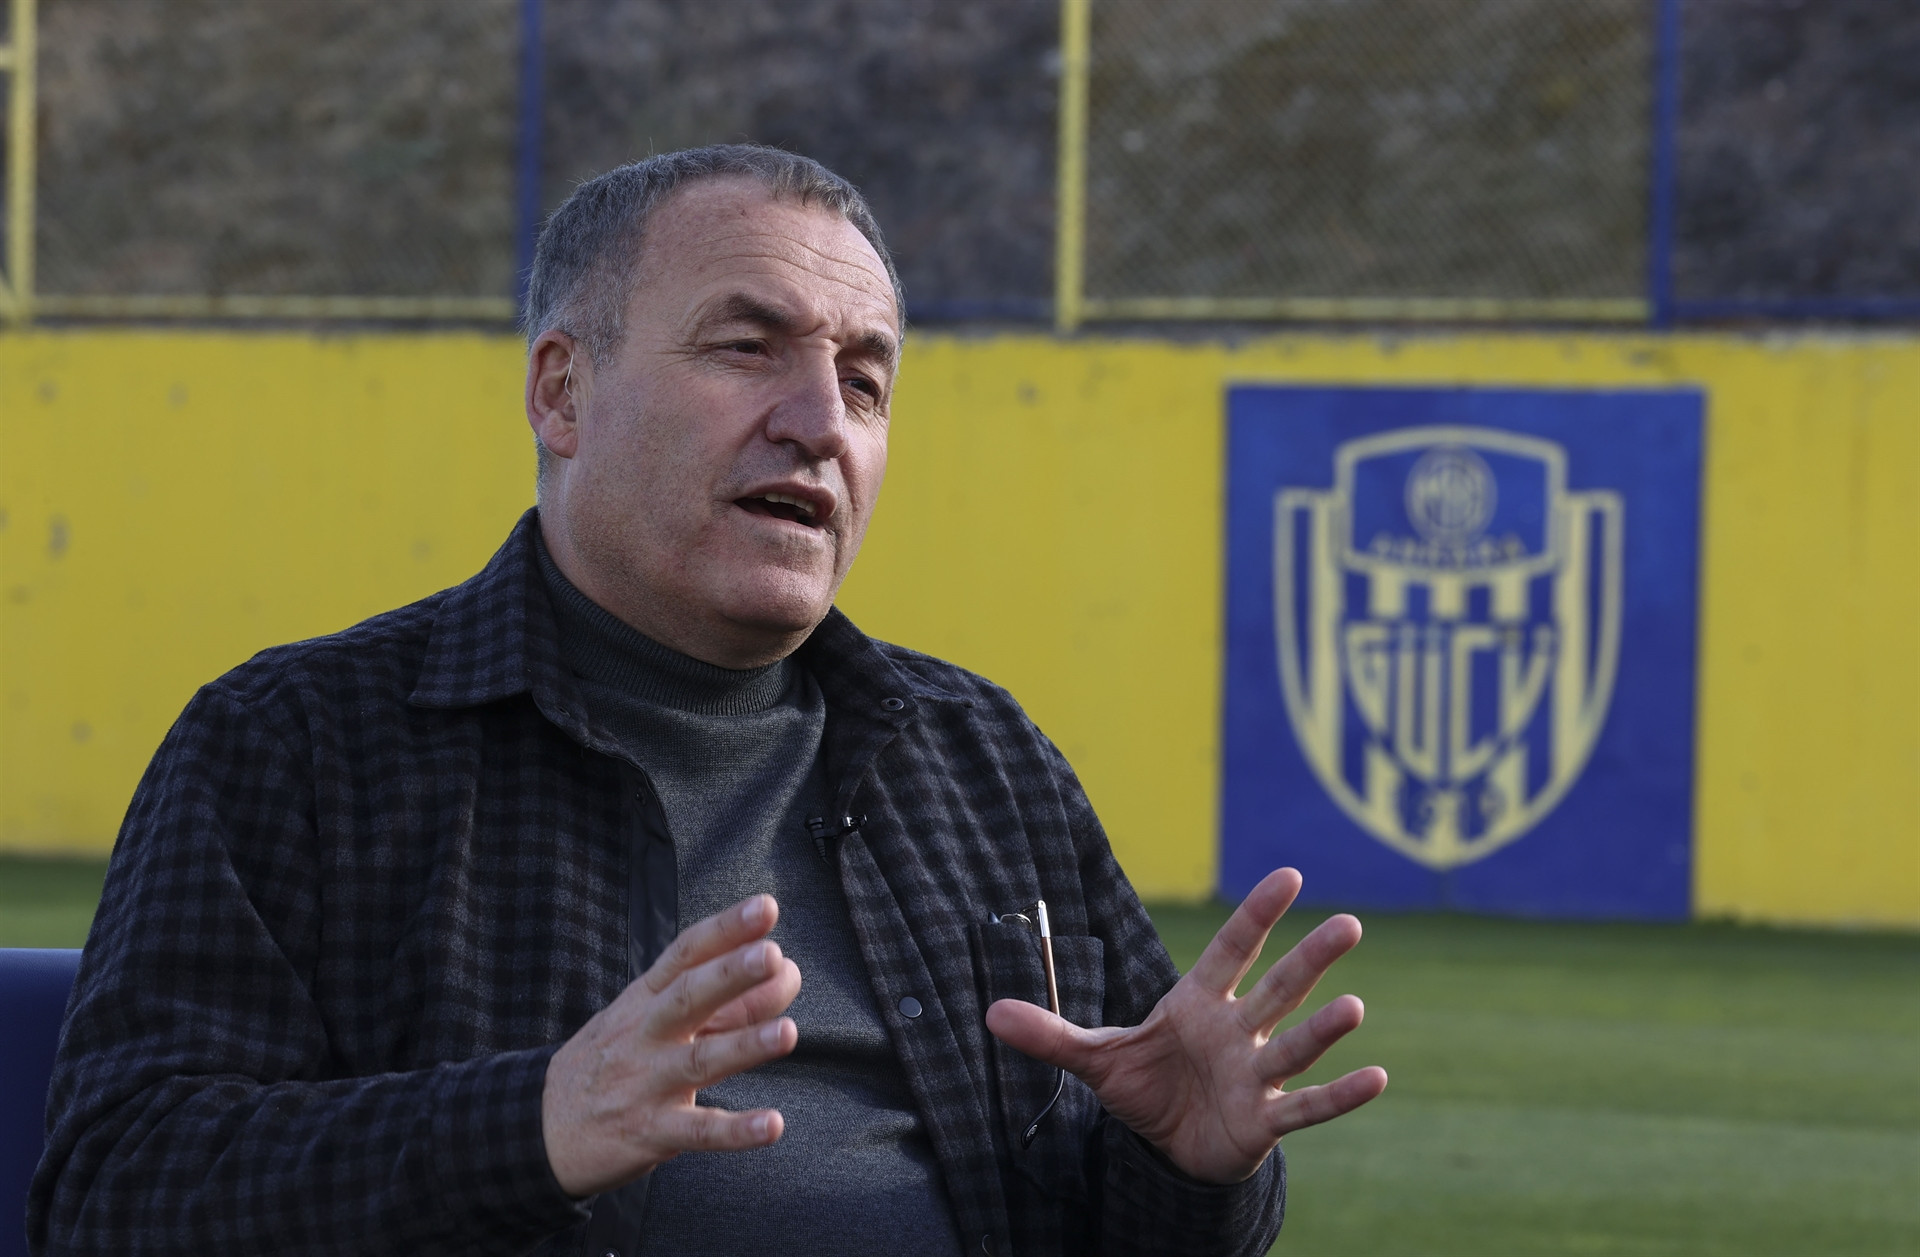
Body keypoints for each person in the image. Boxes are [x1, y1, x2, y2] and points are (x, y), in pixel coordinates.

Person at [30, 146, 1386, 1257]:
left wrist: (1188, 1168)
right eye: (748, 347)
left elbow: (1126, 1218)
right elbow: (114, 1193)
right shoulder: (292, 747)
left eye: (866, 381)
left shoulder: (981, 760)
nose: (822, 422)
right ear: (562, 391)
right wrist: (532, 1125)